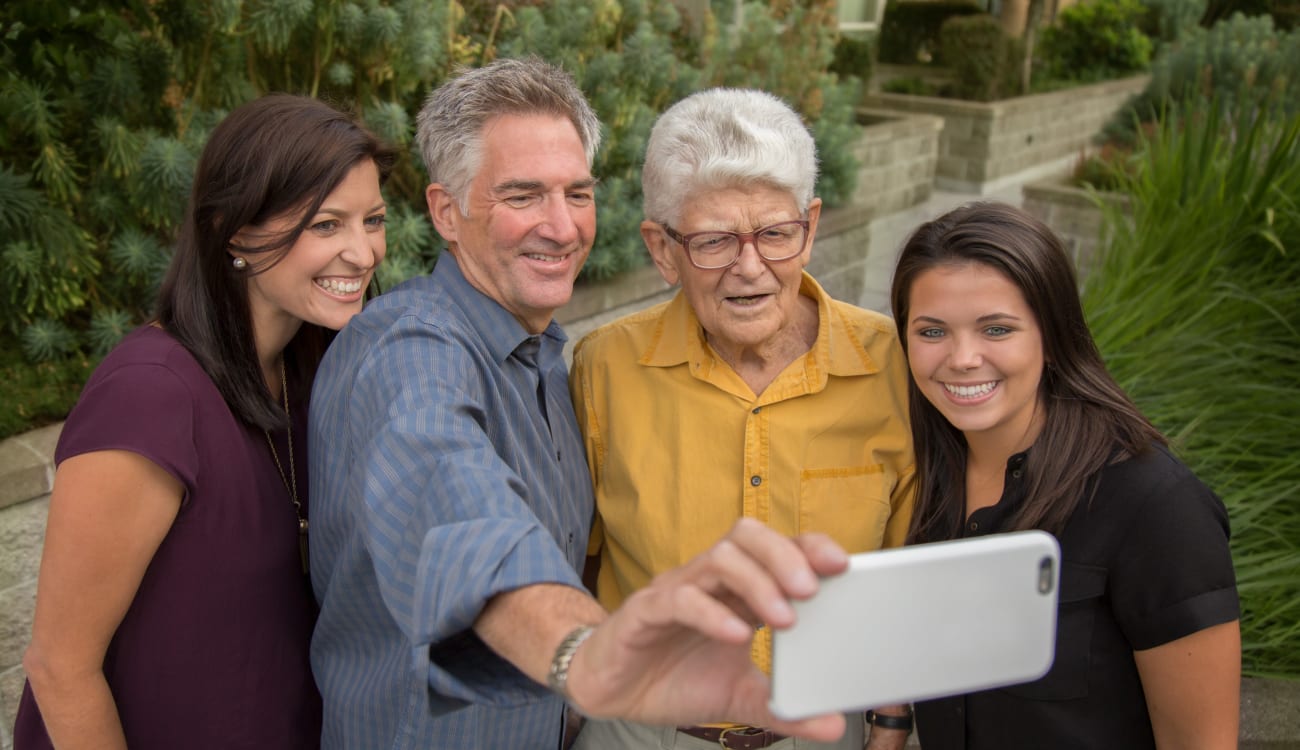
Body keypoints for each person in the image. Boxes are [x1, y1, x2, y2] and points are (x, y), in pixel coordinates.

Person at [307, 57, 853, 750]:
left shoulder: (551, 362)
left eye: (577, 192)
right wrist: (587, 655)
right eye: (523, 195)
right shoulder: (406, 350)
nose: (562, 227)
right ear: (447, 211)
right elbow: (458, 511)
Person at [15, 94, 393, 749]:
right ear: (233, 230)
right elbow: (59, 667)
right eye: (326, 225)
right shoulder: (149, 398)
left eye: (373, 219)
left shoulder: (319, 369)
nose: (362, 253)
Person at [567, 87, 918, 750]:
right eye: (714, 240)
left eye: (775, 234)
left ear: (809, 229)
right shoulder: (603, 369)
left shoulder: (892, 366)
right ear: (662, 249)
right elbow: (577, 562)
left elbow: (902, 574)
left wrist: (891, 722)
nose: (749, 267)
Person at [889, 202, 1241, 749]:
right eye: (932, 331)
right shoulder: (922, 474)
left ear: (1052, 335)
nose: (961, 358)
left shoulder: (1154, 505)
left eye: (997, 329)